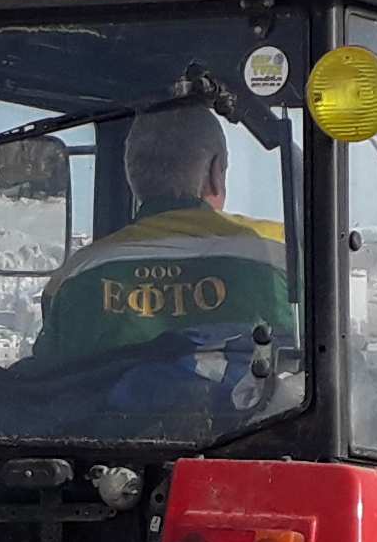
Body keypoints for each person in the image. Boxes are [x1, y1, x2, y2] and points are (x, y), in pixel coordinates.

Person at [23, 103, 293, 370]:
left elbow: (49, 382)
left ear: (133, 177)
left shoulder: (71, 278)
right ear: (215, 171)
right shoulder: (282, 252)